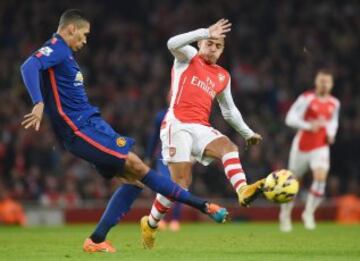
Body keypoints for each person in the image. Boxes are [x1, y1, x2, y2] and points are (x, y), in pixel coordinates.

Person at [20, 9, 228, 253]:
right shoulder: (57, 47)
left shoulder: (64, 54)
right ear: (71, 29)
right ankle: (204, 206)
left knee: (134, 181)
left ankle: (96, 240)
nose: (85, 40)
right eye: (84, 35)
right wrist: (38, 101)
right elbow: (29, 65)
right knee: (137, 166)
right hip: (79, 128)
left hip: (91, 123)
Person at [141, 19, 265, 249]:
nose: (213, 49)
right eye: (209, 43)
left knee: (229, 147)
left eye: (218, 46)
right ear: (199, 44)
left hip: (200, 126)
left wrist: (247, 133)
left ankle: (243, 190)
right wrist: (205, 31)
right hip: (177, 123)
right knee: (181, 183)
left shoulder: (222, 76)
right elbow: (171, 43)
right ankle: (150, 223)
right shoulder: (188, 56)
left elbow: (229, 111)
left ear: (222, 50)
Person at [279, 69, 340, 232]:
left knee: (320, 178)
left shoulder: (334, 103)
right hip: (301, 146)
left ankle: (309, 213)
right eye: (321, 81)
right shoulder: (306, 98)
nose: (324, 84)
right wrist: (308, 125)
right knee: (293, 183)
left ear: (332, 84)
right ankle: (285, 214)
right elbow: (290, 118)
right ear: (316, 82)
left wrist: (331, 134)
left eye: (327, 81)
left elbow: (333, 121)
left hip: (320, 146)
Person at [145, 109, 182, 231]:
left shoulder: (185, 115)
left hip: (181, 157)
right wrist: (149, 156)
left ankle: (175, 220)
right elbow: (154, 137)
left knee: (179, 188)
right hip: (162, 158)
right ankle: (160, 219)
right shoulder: (161, 116)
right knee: (164, 187)